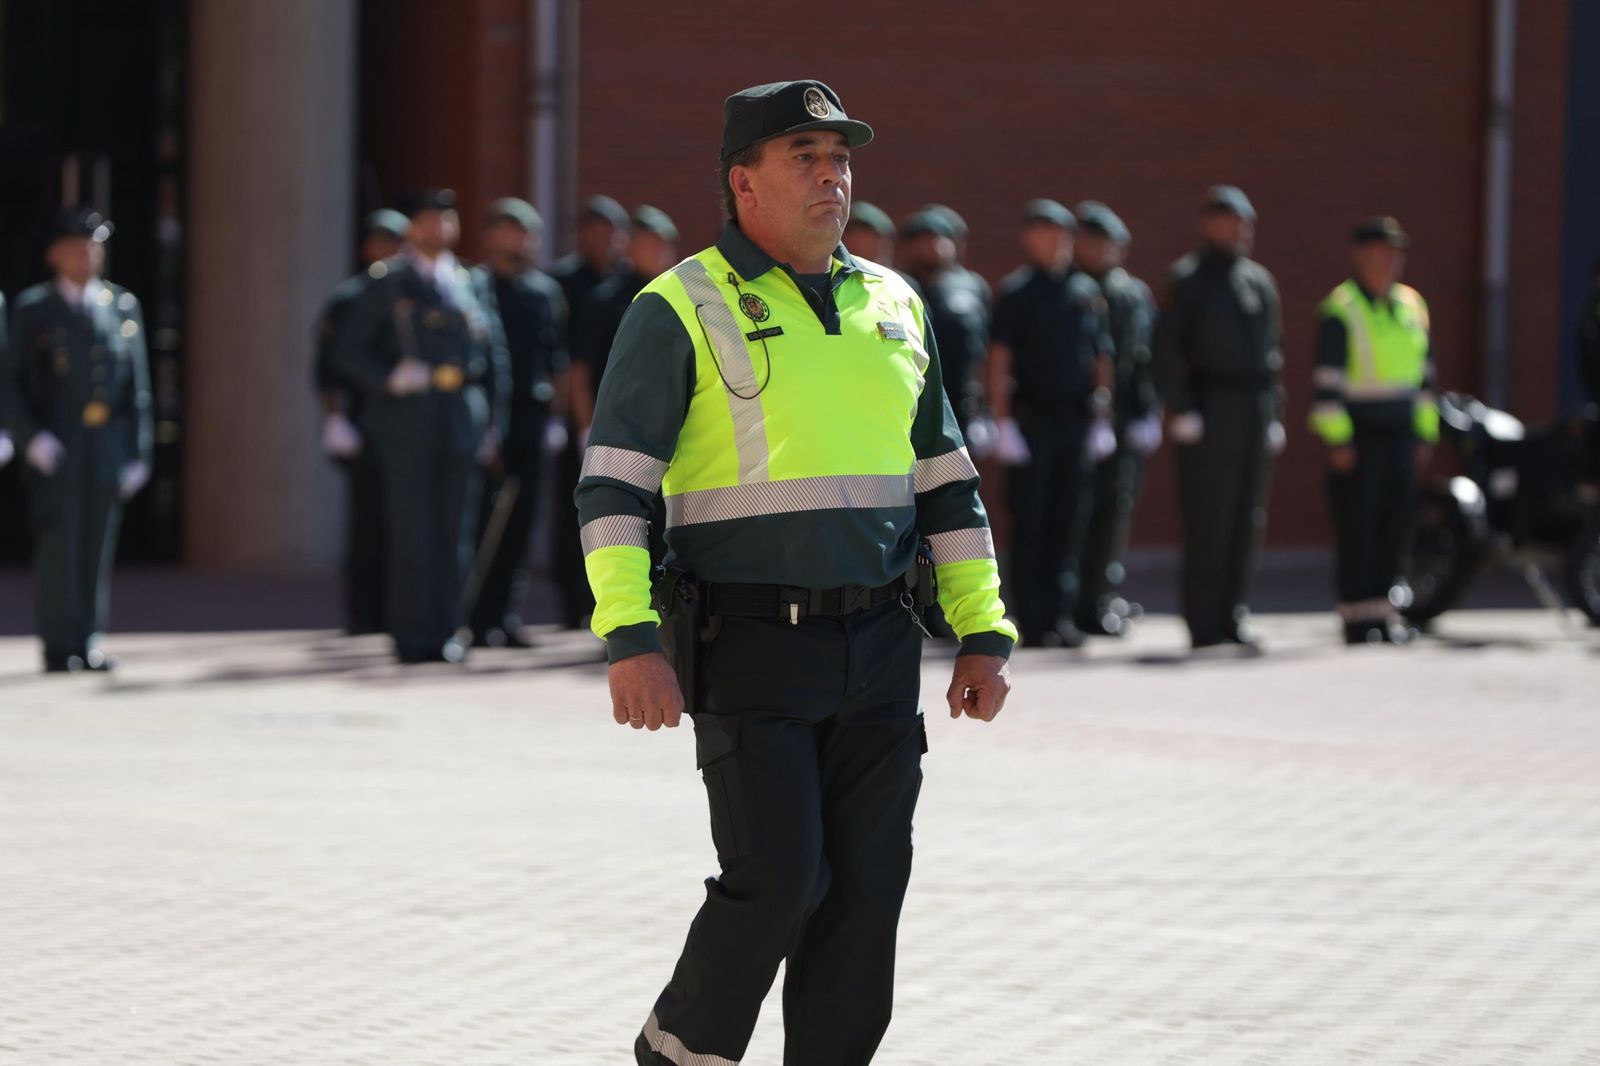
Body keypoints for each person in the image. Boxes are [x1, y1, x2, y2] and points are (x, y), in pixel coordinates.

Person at [575, 79, 1015, 1066]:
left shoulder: (896, 303)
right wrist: (629, 637)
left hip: (880, 646)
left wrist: (982, 628)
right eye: (803, 158)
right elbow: (612, 489)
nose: (831, 176)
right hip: (748, 646)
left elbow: (947, 485)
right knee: (778, 881)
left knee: (864, 898)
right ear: (744, 183)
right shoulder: (676, 307)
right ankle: (677, 1054)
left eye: (840, 158)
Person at [330, 188, 508, 664]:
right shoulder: (388, 281)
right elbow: (347, 351)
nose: (441, 228)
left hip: (461, 415)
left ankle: (448, 629)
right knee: (413, 531)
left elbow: (494, 357)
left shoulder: (471, 280)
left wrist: (494, 423)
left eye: (447, 218)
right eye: (431, 219)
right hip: (409, 419)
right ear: (412, 227)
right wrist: (390, 377)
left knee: (455, 531)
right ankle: (412, 634)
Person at [0, 208, 152, 672]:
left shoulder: (121, 305)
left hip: (104, 442)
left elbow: (137, 386)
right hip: (59, 442)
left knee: (96, 545)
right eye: (75, 249)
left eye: (93, 249)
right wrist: (31, 439)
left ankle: (88, 640)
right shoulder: (33, 308)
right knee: (58, 546)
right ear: (54, 255)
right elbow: (9, 383)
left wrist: (139, 451)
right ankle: (58, 644)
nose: (86, 257)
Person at [1153, 185, 1285, 653]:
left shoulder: (1260, 281)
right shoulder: (1188, 279)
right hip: (1209, 408)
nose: (1238, 230)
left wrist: (1275, 412)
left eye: (1244, 221)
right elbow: (1167, 349)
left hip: (1252, 408)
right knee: (1209, 516)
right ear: (1207, 224)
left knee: (1247, 517)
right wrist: (1182, 407)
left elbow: (1273, 352)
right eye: (1228, 220)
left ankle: (1232, 614)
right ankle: (1203, 620)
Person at [988, 198, 1114, 648]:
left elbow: (1101, 356)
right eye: (1046, 233)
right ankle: (1031, 618)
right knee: (1031, 520)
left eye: (1062, 234)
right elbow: (999, 358)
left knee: (1069, 519)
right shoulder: (1017, 292)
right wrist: (1003, 422)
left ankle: (1060, 616)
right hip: (1032, 420)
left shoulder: (1084, 291)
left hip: (1074, 420)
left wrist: (1103, 416)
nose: (1056, 242)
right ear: (1029, 238)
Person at [1312, 217, 1437, 644]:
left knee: (1395, 525)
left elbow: (1425, 377)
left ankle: (1384, 616)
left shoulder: (1412, 305)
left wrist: (1425, 434)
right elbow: (1327, 384)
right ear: (1360, 255)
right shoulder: (1341, 308)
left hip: (1401, 432)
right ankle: (1356, 617)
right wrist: (1337, 438)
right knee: (1358, 526)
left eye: (1396, 252)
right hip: (1360, 433)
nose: (1391, 261)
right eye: (1382, 251)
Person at [467, 197, 569, 648]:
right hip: (487, 420)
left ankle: (503, 615)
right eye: (510, 229)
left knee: (521, 523)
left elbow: (557, 360)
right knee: (478, 521)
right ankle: (470, 615)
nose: (519, 240)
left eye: (526, 232)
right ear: (490, 235)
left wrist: (556, 418)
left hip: (531, 418)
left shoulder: (543, 292)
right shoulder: (476, 286)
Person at [312, 208, 409, 635]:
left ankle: (393, 611)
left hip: (403, 422)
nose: (390, 249)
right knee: (367, 523)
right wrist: (334, 419)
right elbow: (328, 367)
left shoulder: (408, 292)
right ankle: (362, 614)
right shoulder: (350, 297)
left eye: (397, 241)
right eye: (383, 241)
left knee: (398, 523)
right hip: (361, 420)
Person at [1072, 201, 1161, 637]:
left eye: (1109, 243)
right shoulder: (1073, 288)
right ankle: (1071, 599)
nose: (1102, 250)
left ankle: (1102, 596)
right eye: (1094, 241)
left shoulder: (1133, 294)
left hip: (1123, 415)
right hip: (1076, 414)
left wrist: (1149, 411)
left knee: (1116, 506)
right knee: (1077, 509)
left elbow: (1147, 356)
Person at [551, 195, 630, 629]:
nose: (605, 241)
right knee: (574, 513)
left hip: (620, 418)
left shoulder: (627, 283)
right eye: (596, 232)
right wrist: (574, 421)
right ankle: (573, 602)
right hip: (580, 415)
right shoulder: (564, 282)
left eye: (611, 233)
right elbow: (566, 360)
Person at [897, 208, 989, 436]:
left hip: (962, 402)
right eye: (924, 239)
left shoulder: (970, 286)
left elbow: (987, 348)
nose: (934, 246)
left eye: (939, 238)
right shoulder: (895, 285)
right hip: (910, 400)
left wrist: (988, 410)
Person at [842, 200, 895, 267]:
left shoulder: (890, 274)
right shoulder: (831, 270)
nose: (856, 243)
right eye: (850, 232)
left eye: (864, 235)